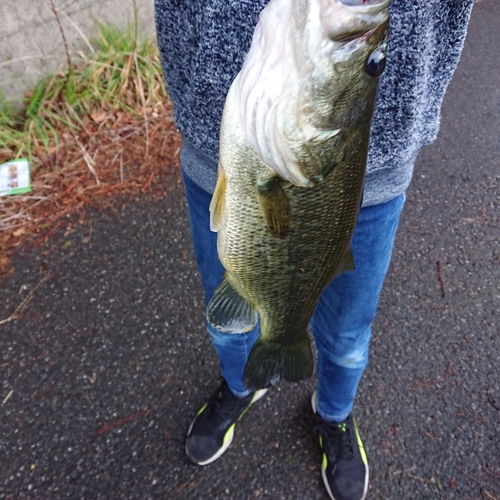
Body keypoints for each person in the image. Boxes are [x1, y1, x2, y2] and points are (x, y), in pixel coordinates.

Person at [154, 1, 474, 499]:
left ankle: (334, 414)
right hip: (210, 130)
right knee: (225, 319)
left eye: (370, 58)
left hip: (375, 166)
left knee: (346, 337)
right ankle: (241, 385)